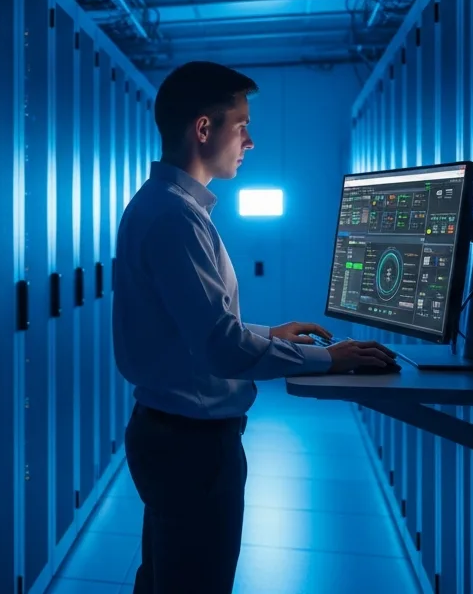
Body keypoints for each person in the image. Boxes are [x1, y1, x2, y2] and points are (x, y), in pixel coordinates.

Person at [112, 61, 397, 594]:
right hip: (191, 447)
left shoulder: (172, 209)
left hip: (171, 436)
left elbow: (195, 328)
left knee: (163, 581)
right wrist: (330, 360)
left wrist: (269, 334)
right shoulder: (175, 218)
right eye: (241, 125)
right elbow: (220, 347)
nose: (251, 140)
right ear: (204, 129)